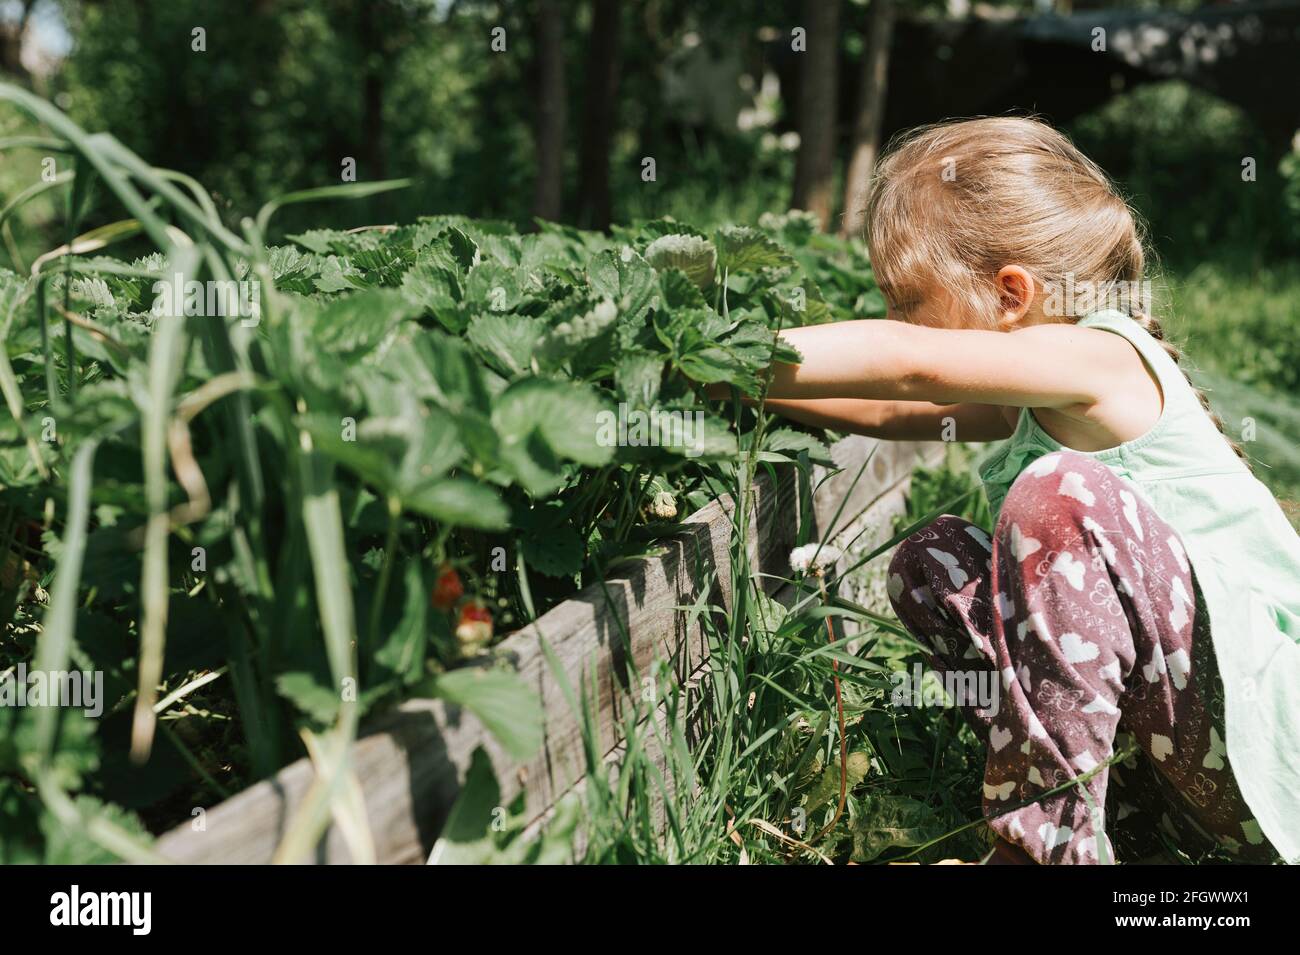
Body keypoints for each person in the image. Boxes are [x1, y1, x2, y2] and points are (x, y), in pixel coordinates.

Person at [754, 117, 1300, 864]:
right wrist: (732, 380)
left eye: (905, 300)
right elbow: (891, 405)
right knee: (931, 561)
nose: (894, 320)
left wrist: (731, 344)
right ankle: (1105, 828)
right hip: (1190, 789)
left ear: (1012, 293)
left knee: (1059, 496)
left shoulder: (1102, 359)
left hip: (1266, 759)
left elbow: (914, 366)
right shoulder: (1042, 393)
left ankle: (1041, 848)